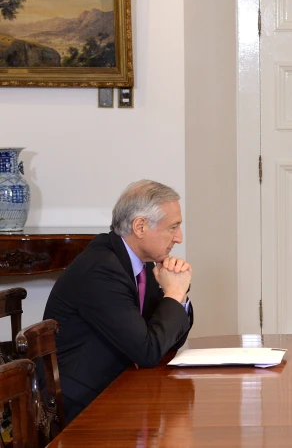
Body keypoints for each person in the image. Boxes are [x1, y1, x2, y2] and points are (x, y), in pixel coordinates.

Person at [43, 180, 194, 423]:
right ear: (140, 226)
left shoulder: (139, 262)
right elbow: (148, 352)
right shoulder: (102, 270)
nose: (179, 237)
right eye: (173, 227)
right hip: (83, 407)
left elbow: (170, 341)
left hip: (117, 387)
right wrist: (173, 295)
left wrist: (178, 294)